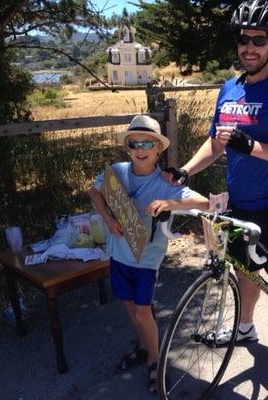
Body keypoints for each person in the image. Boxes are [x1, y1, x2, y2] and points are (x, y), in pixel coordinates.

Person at [163, 1, 268, 399]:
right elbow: (217, 143)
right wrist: (187, 170)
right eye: (243, 39)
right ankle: (244, 328)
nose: (248, 47)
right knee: (243, 272)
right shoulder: (229, 89)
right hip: (241, 204)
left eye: (258, 40)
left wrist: (255, 148)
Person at [89, 115, 209, 393]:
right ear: (127, 147)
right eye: (134, 143)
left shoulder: (166, 181)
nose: (140, 149)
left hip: (146, 260)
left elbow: (203, 203)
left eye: (148, 143)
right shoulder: (116, 172)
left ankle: (156, 361)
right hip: (118, 255)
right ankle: (143, 348)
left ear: (158, 149)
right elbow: (95, 192)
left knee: (144, 312)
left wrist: (169, 202)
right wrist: (108, 220)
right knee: (130, 308)